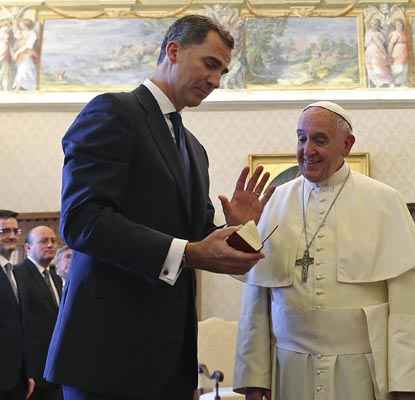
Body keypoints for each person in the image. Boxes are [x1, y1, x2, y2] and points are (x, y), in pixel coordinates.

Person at [44, 15, 273, 400]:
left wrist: (240, 230)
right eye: (210, 64)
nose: (216, 81)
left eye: (223, 72)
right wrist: (190, 250)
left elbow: (200, 242)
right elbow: (83, 221)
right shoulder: (113, 112)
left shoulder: (194, 148)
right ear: (173, 50)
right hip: (107, 355)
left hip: (170, 361)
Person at [234, 101, 415, 400]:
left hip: (361, 373)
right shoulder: (276, 200)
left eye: (320, 139)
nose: (307, 149)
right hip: (290, 371)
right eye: (302, 138)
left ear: (347, 144)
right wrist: (253, 378)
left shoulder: (385, 201)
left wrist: (407, 385)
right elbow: (256, 299)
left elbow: (408, 309)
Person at [14, 226, 62, 400]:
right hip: (34, 374)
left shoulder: (56, 277)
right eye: (43, 241)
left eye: (53, 241)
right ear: (27, 248)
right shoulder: (17, 275)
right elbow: (20, 327)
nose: (50, 245)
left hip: (57, 372)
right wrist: (26, 372)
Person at [0, 210, 35, 400]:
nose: (12, 236)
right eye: (4, 231)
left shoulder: (16, 273)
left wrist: (27, 373)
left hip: (17, 379)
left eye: (15, 231)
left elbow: (22, 326)